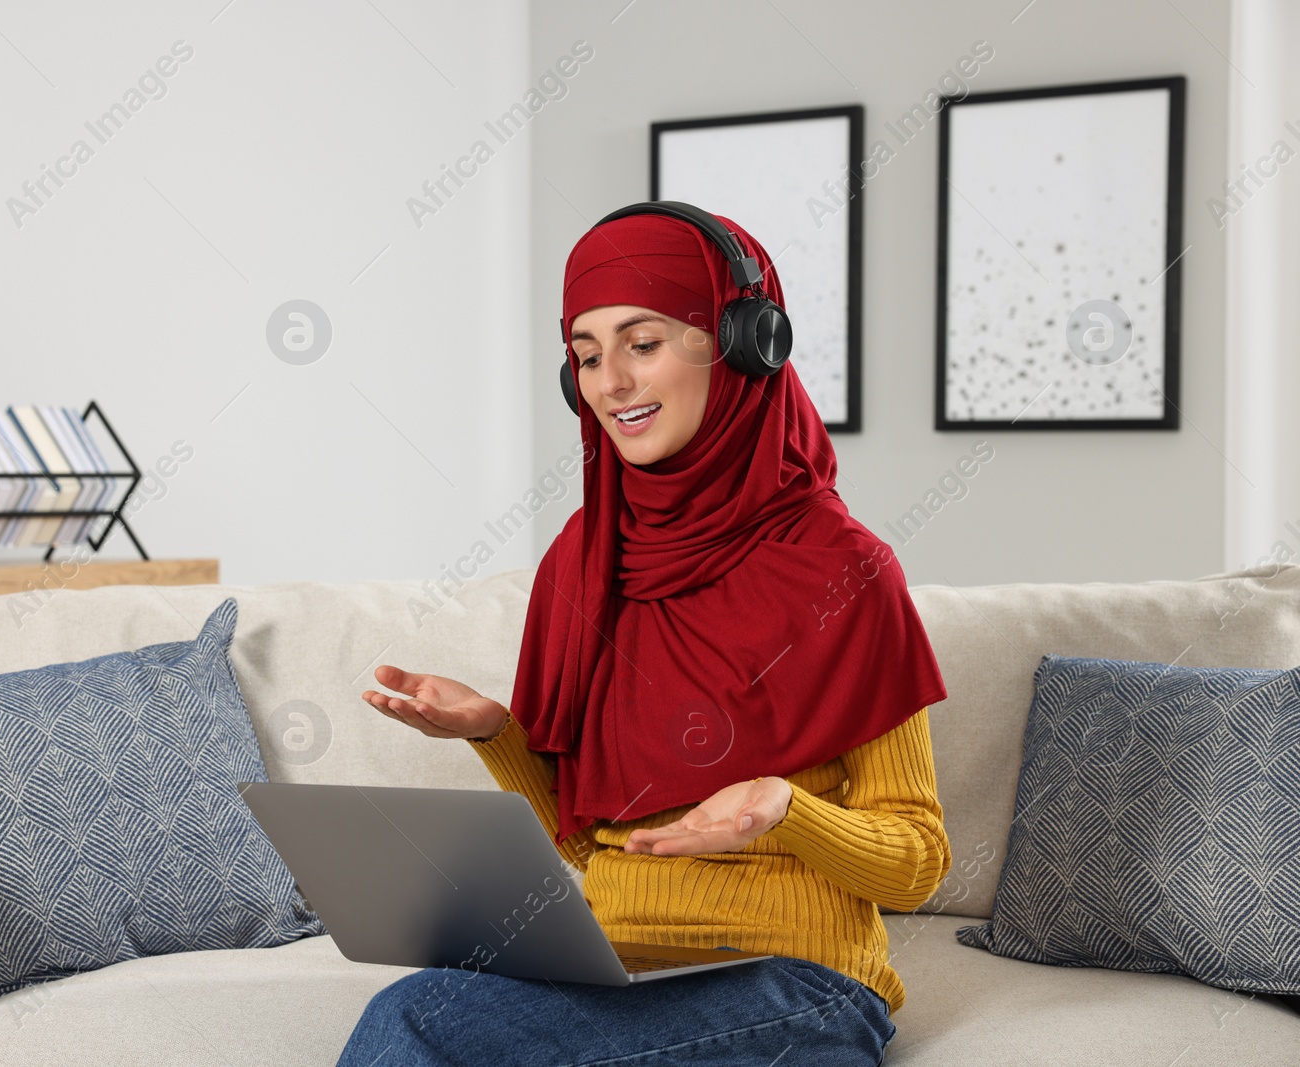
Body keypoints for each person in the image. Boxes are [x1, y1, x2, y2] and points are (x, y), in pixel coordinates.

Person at [338, 206, 950, 1066]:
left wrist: (788, 808)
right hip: (613, 979)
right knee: (415, 1006)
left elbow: (917, 863)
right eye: (586, 356)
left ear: (742, 343)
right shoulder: (582, 562)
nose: (611, 381)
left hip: (795, 986)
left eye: (643, 342)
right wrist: (493, 731)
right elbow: (588, 836)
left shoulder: (845, 568)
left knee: (424, 1034)